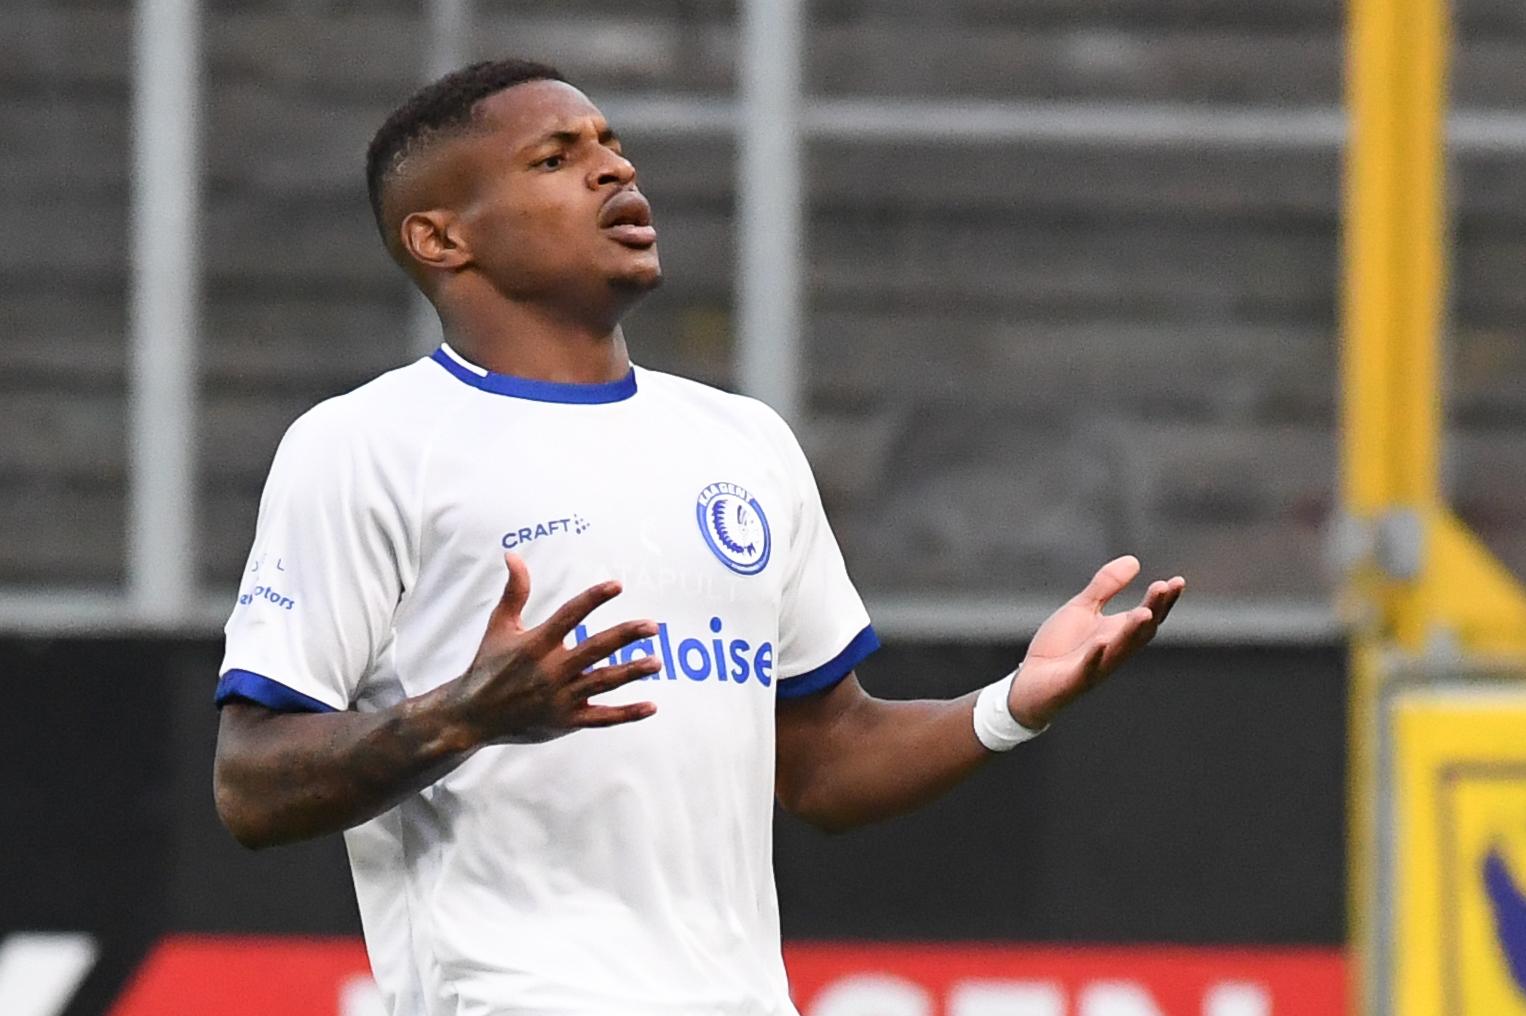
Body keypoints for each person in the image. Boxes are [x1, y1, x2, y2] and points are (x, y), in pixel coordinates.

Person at [211, 58, 1186, 1016]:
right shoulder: (365, 445)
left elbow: (821, 757)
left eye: (611, 146)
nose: (613, 171)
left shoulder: (741, 441)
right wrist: (459, 714)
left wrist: (1011, 702)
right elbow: (250, 784)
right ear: (439, 236)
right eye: (554, 158)